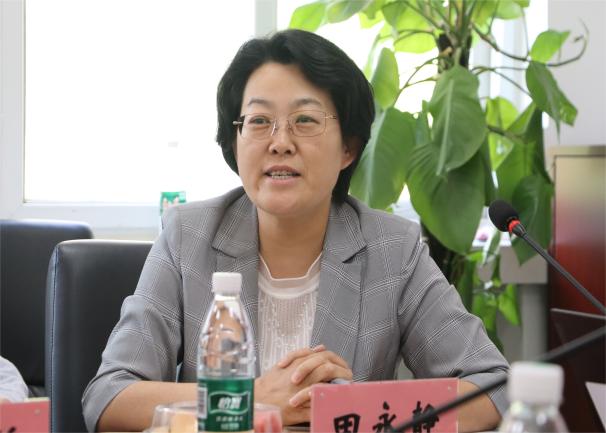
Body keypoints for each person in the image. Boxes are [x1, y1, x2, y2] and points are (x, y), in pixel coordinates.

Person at [83, 29, 509, 432]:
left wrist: (349, 410)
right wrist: (251, 401)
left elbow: (495, 389)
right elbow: (108, 399)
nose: (280, 141)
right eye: (259, 121)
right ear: (234, 140)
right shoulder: (187, 237)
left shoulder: (393, 249)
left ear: (348, 148)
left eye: (305, 120)